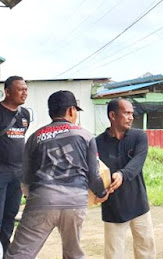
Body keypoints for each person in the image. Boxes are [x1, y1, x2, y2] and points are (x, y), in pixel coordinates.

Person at [5, 90, 109, 258]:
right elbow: (94, 175)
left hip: (42, 199)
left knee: (19, 254)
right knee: (73, 254)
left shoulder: (34, 137)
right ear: (70, 111)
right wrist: (101, 193)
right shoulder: (86, 136)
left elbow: (25, 178)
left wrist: (34, 196)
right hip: (75, 201)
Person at [96, 98, 156, 259]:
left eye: (132, 113)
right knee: (114, 253)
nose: (131, 117)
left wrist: (122, 174)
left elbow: (137, 162)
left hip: (139, 204)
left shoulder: (139, 137)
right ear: (113, 115)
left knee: (146, 249)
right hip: (113, 207)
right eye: (127, 113)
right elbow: (94, 171)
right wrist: (98, 191)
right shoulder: (97, 143)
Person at [0, 76, 29, 253]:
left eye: (26, 89)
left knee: (11, 213)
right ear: (8, 91)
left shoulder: (24, 114)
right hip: (0, 172)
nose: (24, 93)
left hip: (18, 172)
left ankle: (4, 246)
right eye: (20, 89)